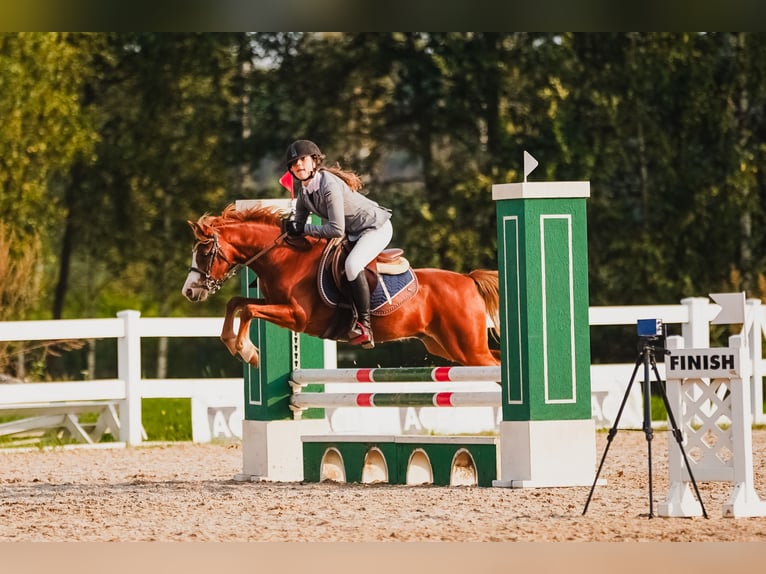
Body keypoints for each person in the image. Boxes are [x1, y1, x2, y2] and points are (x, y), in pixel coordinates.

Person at [283, 139, 393, 349]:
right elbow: (297, 224)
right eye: (293, 163)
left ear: (314, 161)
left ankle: (364, 325)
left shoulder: (328, 185)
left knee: (352, 265)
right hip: (353, 233)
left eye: (302, 160)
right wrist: (286, 228)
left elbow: (335, 229)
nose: (298, 165)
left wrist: (303, 229)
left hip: (374, 228)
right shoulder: (304, 192)